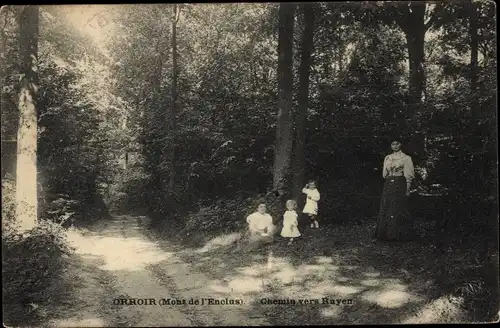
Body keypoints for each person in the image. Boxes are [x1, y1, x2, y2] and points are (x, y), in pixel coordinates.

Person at [375, 139, 415, 241]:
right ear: (391, 145)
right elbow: (384, 174)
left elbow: (408, 176)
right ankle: (384, 235)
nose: (395, 146)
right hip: (388, 183)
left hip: (400, 183)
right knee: (386, 206)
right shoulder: (388, 158)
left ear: (401, 144)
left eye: (397, 143)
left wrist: (407, 189)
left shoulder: (406, 158)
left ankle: (398, 236)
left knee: (397, 207)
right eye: (393, 144)